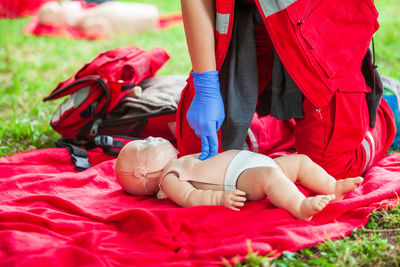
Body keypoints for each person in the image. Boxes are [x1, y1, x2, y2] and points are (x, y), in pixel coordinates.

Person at [177, 0, 398, 179]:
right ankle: (279, 128)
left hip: (317, 20)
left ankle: (385, 112)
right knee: (198, 166)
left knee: (329, 171)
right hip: (245, 19)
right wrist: (206, 83)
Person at [114, 137, 363, 220]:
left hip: (250, 162)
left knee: (300, 161)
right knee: (269, 177)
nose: (152, 140)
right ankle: (298, 206)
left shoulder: (178, 160)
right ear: (141, 172)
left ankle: (332, 185)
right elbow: (190, 197)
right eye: (145, 145)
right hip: (240, 178)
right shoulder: (170, 177)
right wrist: (219, 198)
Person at [37, 1, 159, 37]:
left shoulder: (87, 14)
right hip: (143, 18)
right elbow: (102, 29)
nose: (67, 4)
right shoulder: (87, 22)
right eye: (62, 7)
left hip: (146, 13)